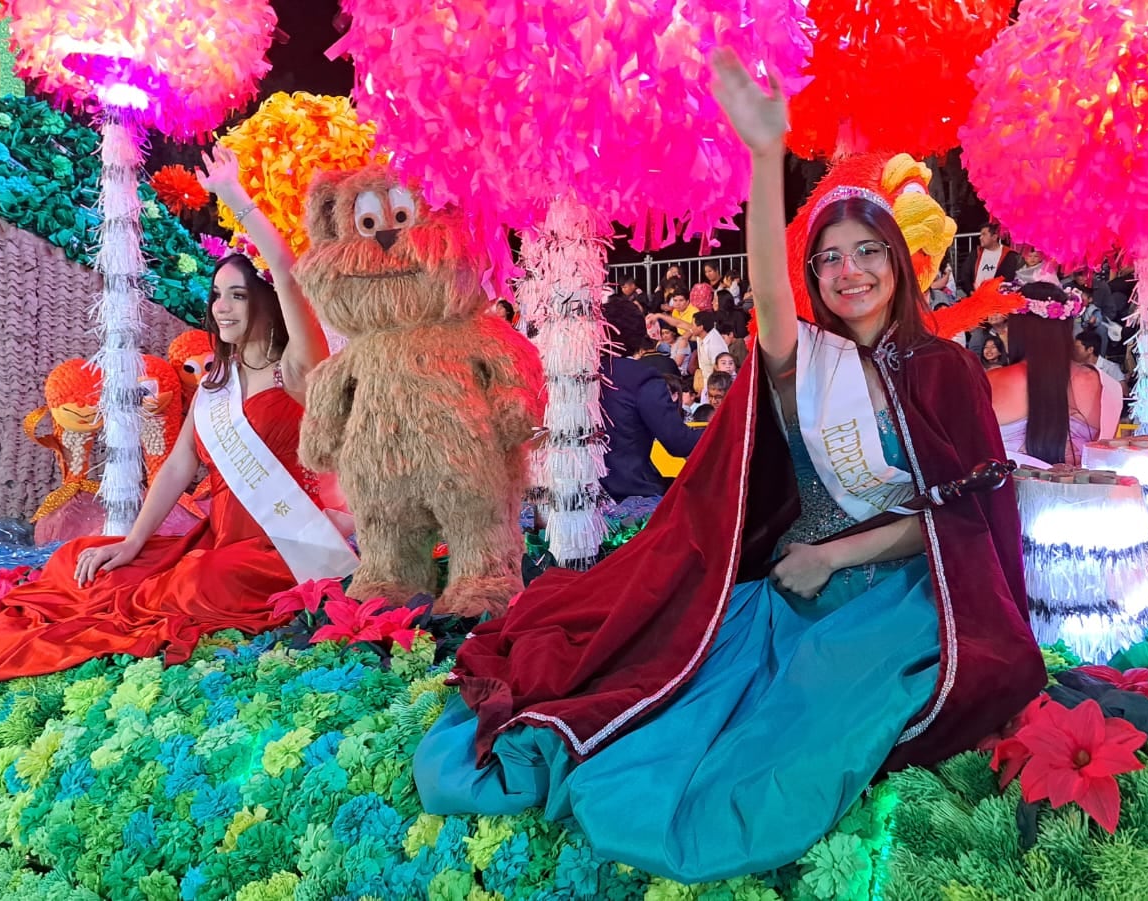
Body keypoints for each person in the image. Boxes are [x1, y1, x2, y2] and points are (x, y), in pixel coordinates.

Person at [412, 50, 1042, 884]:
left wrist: (834, 556)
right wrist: (763, 155)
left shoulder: (944, 370)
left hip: (900, 595)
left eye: (866, 253)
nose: (848, 272)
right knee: (685, 691)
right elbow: (768, 303)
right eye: (830, 258)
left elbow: (961, 520)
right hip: (791, 589)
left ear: (897, 264)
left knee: (797, 727)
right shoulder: (803, 362)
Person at [0, 145, 347, 682]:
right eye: (216, 295)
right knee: (85, 559)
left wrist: (234, 197)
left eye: (237, 295)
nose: (221, 307)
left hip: (285, 548)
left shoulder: (297, 369)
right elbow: (180, 467)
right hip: (216, 541)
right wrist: (134, 540)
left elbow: (288, 272)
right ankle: (149, 562)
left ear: (267, 303)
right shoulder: (215, 383)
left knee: (197, 583)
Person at [987, 283, 1124, 466]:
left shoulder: (993, 381)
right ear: (1066, 329)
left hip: (1010, 493)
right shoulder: (1101, 384)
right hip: (1083, 493)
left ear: (1017, 329)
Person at [597, 298, 705, 500]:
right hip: (631, 494)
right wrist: (720, 428)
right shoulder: (642, 378)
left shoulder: (574, 377)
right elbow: (678, 442)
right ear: (639, 335)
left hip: (577, 499)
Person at [958, 221, 1020, 291]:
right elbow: (965, 274)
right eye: (980, 235)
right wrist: (970, 291)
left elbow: (1008, 278)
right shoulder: (976, 253)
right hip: (975, 296)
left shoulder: (1009, 255)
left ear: (994, 237)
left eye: (984, 234)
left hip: (997, 297)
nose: (980, 238)